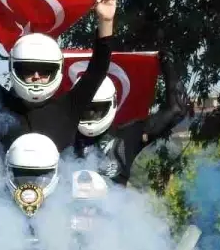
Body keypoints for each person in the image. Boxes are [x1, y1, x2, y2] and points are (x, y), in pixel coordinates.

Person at [0, 0, 117, 161]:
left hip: (61, 188)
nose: (36, 76)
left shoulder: (70, 107)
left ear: (57, 70)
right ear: (14, 69)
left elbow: (98, 70)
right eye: (27, 69)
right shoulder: (2, 105)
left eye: (45, 71)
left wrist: (106, 21)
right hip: (8, 188)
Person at [71, 52, 190, 185]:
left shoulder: (129, 135)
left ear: (113, 103)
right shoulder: (61, 132)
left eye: (97, 108)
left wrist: (167, 63)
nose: (91, 114)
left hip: (116, 205)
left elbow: (177, 109)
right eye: (86, 108)